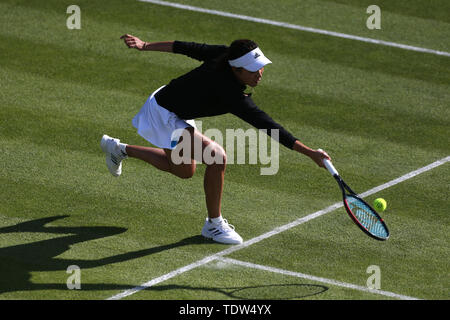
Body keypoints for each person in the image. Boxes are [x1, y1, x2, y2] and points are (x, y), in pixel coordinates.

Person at [100, 34, 331, 245]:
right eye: (253, 70)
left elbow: (183, 46)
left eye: (260, 67)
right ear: (237, 69)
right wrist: (310, 153)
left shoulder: (225, 55)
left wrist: (145, 45)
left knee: (183, 171)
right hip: (164, 114)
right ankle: (213, 224)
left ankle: (119, 149)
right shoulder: (230, 92)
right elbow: (269, 126)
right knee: (216, 156)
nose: (259, 73)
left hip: (174, 108)